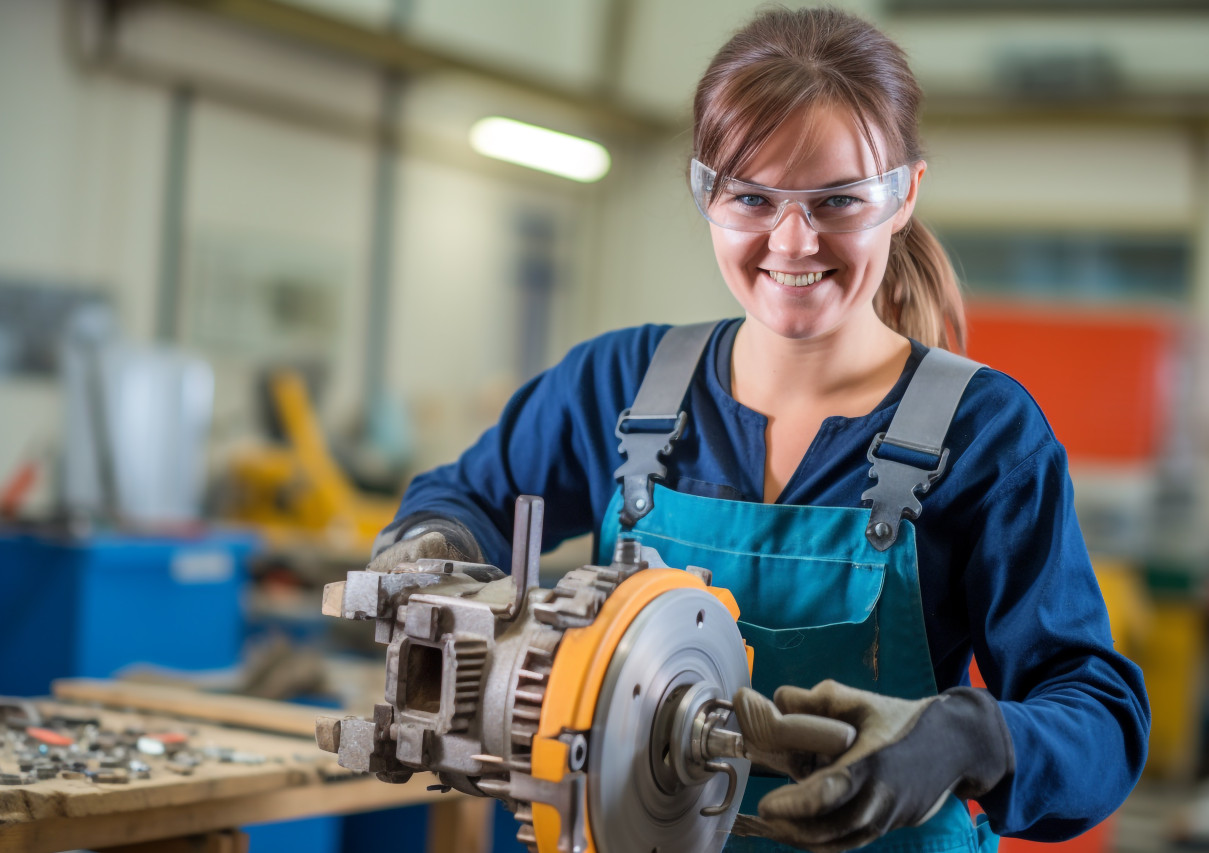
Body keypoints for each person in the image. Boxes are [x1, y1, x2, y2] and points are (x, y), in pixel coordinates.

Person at [370, 7, 1150, 852]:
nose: (793, 239)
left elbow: (1096, 716)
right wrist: (431, 550)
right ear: (707, 193)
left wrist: (965, 739)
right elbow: (463, 497)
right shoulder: (617, 387)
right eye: (751, 197)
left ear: (903, 195)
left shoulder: (985, 432)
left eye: (837, 200)